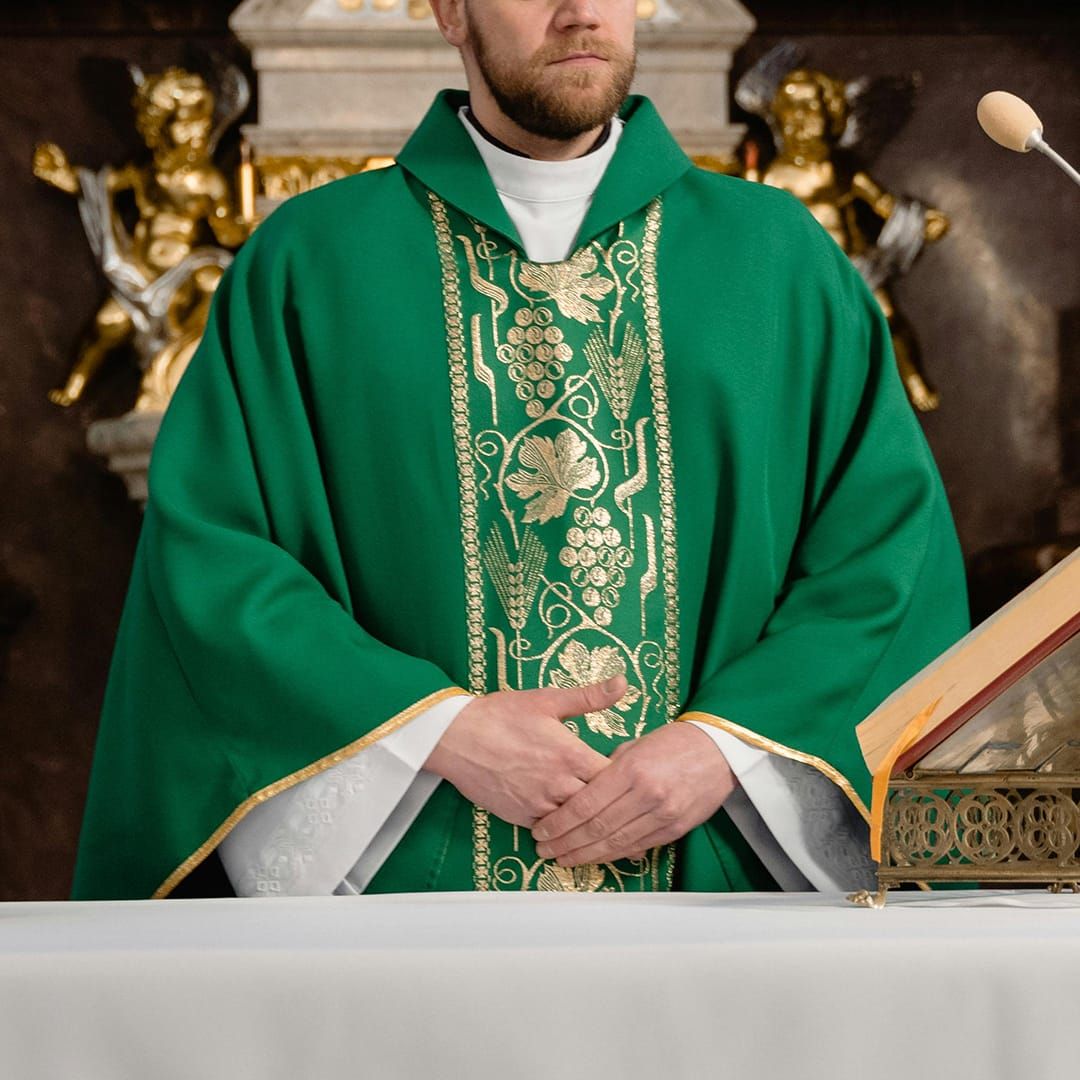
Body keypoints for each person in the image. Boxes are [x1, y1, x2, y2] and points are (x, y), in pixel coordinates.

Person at [71, 0, 968, 901]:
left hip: (717, 881)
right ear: (450, 12)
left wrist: (726, 747)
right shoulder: (307, 263)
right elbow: (214, 554)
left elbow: (884, 551)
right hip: (411, 893)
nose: (581, 13)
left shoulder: (779, 258)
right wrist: (433, 732)